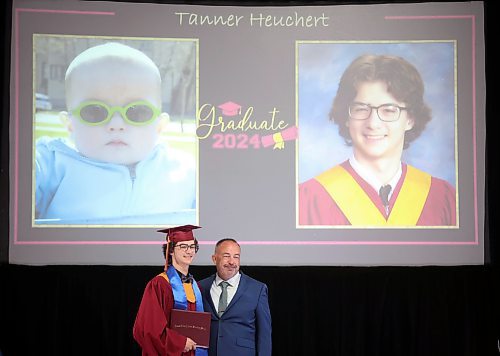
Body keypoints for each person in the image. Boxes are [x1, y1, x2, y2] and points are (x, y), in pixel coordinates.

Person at [35, 42, 195, 224]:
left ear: (159, 126)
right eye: (94, 111)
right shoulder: (50, 164)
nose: (116, 124)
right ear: (70, 125)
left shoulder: (185, 171)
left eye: (137, 112)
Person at [299, 54, 456, 226]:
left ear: (410, 119)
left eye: (389, 110)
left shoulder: (442, 198)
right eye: (361, 109)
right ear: (346, 117)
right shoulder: (309, 199)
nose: (373, 123)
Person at [133, 225, 208, 356]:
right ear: (171, 250)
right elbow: (147, 329)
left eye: (192, 246)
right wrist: (179, 343)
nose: (189, 251)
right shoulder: (159, 285)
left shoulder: (196, 286)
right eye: (183, 246)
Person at [198, 238, 272, 356]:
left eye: (236, 256)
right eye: (227, 256)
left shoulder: (257, 289)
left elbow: (264, 334)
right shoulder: (200, 287)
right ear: (214, 259)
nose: (232, 262)